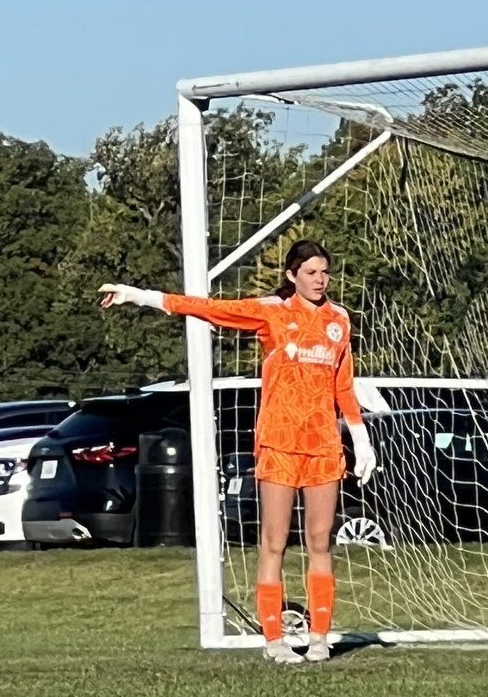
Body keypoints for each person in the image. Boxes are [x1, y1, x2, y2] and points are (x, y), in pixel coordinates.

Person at [99, 239, 378, 664]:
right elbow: (211, 309)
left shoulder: (338, 319)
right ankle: (275, 640)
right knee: (274, 540)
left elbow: (343, 384)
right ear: (291, 276)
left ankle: (320, 637)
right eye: (310, 273)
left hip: (323, 443)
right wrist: (141, 296)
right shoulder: (273, 312)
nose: (319, 280)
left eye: (324, 273)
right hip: (278, 442)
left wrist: (360, 437)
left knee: (320, 540)